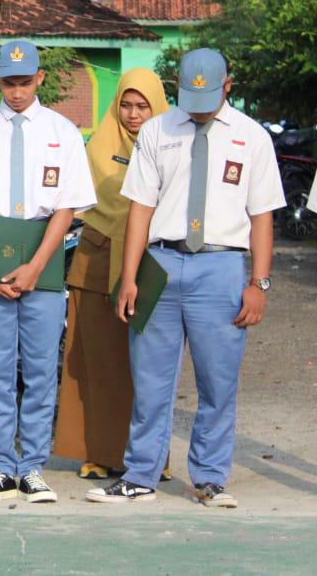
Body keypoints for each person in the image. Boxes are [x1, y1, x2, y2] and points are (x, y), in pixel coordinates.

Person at [88, 49, 284, 507]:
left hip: (220, 268)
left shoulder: (252, 138)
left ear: (227, 86)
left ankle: (211, 478)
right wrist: (130, 276)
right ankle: (141, 475)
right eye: (189, 94)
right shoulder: (158, 130)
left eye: (208, 95)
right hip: (161, 262)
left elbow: (262, 217)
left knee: (218, 381)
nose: (197, 105)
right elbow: (141, 207)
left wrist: (259, 283)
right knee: (151, 380)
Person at [0, 40, 96, 504]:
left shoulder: (63, 132)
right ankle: (1, 466)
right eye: (8, 82)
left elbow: (67, 209)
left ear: (40, 79)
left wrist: (35, 266)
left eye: (25, 82)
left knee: (43, 367)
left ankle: (32, 467)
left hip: (43, 258)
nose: (16, 91)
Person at [55, 69, 168, 479]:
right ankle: (100, 453)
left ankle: (152, 458)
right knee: (98, 361)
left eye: (143, 106)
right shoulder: (97, 146)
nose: (133, 115)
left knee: (149, 366)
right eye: (126, 104)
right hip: (98, 255)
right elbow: (77, 199)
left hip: (152, 261)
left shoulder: (172, 145)